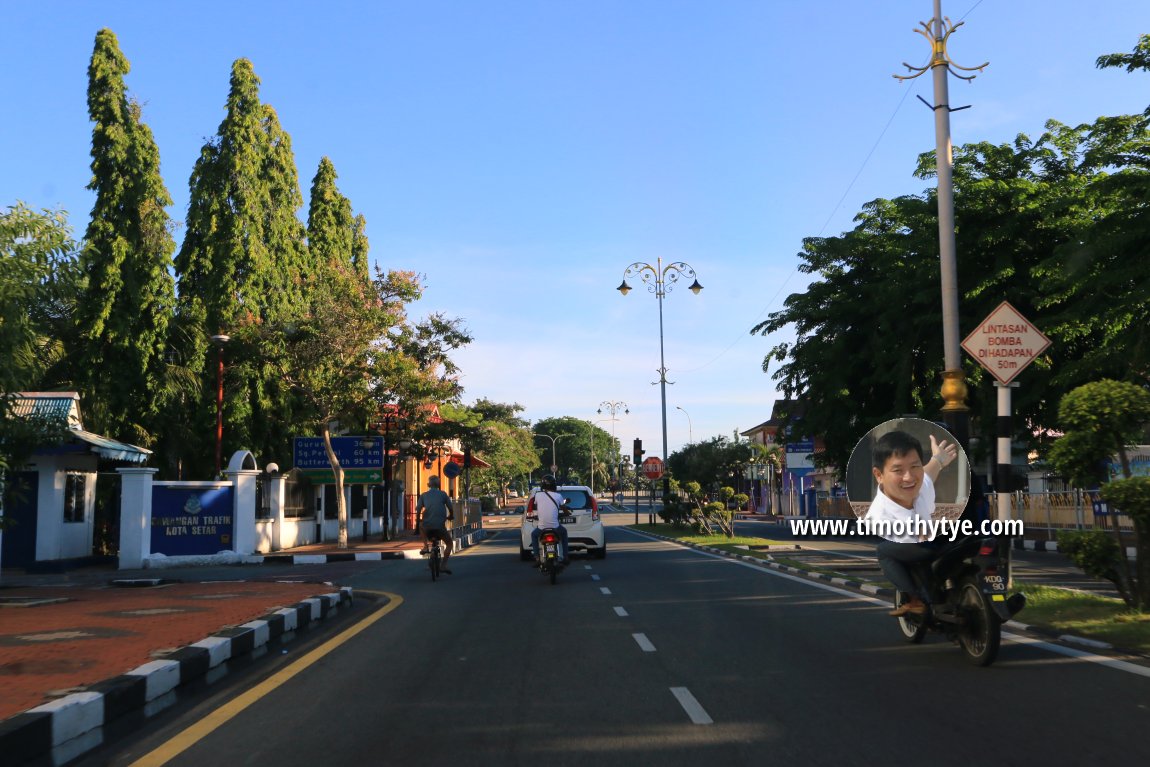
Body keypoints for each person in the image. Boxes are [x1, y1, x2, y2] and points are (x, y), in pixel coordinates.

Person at [862, 429, 958, 617]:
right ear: (879, 475)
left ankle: (915, 600)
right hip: (942, 541)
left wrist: (938, 459)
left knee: (883, 552)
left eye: (915, 467)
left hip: (936, 544)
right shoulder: (879, 514)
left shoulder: (920, 484)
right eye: (898, 470)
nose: (909, 477)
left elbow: (929, 471)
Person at [417, 476, 454, 574]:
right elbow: (450, 507)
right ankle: (443, 565)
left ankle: (425, 546)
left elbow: (418, 510)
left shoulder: (424, 495)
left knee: (421, 526)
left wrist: (417, 522)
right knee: (449, 544)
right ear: (439, 485)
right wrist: (451, 516)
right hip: (440, 528)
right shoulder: (443, 494)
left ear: (428, 485)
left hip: (427, 528)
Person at [528, 475, 569, 562]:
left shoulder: (538, 495)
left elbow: (537, 507)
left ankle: (537, 557)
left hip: (541, 528)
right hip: (555, 527)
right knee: (564, 533)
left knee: (534, 535)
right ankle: (565, 557)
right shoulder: (558, 496)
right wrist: (567, 513)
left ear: (543, 485)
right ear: (554, 485)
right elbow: (565, 510)